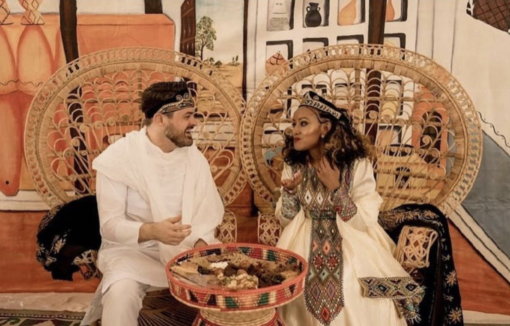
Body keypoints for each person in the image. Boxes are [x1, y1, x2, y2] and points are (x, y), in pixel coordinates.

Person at [80, 81, 224, 326]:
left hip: (186, 254)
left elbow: (206, 214)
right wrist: (150, 231)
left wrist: (201, 245)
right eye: (187, 116)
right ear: (160, 119)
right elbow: (110, 227)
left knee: (230, 291)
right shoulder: (118, 158)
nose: (195, 123)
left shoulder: (194, 157)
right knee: (120, 294)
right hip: (131, 253)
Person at [275, 91, 423, 326]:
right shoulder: (294, 165)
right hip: (303, 235)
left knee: (351, 287)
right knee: (297, 285)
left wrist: (337, 189)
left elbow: (365, 221)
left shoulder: (355, 164)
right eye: (294, 124)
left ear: (325, 128)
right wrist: (291, 193)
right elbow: (286, 221)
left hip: (351, 237)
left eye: (304, 123)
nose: (296, 130)